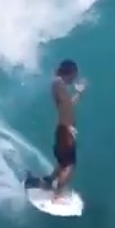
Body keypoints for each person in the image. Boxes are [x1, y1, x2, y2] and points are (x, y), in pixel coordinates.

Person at [47, 58, 86, 200]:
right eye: (74, 75)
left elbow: (68, 105)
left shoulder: (59, 84)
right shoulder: (59, 85)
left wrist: (78, 93)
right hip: (65, 130)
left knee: (63, 161)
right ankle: (57, 196)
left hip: (63, 129)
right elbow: (64, 108)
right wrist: (69, 127)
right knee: (69, 165)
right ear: (69, 73)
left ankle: (49, 182)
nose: (74, 79)